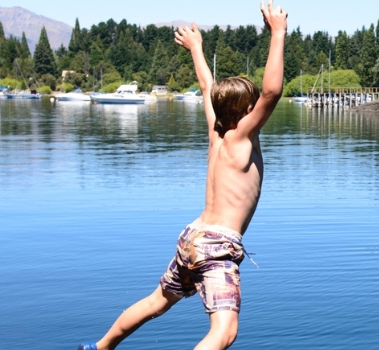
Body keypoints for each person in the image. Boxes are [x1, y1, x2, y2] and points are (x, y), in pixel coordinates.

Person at [79, 1, 287, 349]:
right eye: (255, 108)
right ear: (249, 111)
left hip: (192, 237)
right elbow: (272, 91)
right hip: (217, 246)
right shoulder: (240, 139)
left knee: (156, 302)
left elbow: (207, 88)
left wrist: (197, 49)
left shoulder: (216, 132)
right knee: (224, 333)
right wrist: (277, 34)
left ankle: (98, 348)